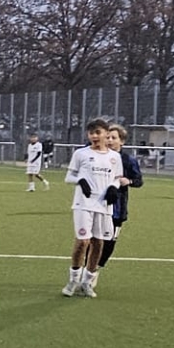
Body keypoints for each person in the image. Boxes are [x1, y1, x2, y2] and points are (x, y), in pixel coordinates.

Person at [61, 118, 121, 298]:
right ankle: (73, 280)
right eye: (91, 133)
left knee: (98, 242)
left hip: (103, 205)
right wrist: (80, 180)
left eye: (98, 133)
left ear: (106, 134)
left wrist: (114, 187)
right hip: (83, 204)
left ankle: (87, 282)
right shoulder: (81, 154)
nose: (94, 136)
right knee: (82, 242)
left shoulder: (114, 157)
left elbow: (117, 178)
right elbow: (68, 177)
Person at [89, 122, 143, 294]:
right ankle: (86, 270)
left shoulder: (128, 160)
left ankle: (96, 268)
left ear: (122, 141)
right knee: (92, 239)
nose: (110, 140)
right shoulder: (98, 157)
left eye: (114, 138)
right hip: (97, 205)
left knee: (110, 241)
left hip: (118, 208)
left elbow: (139, 181)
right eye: (108, 137)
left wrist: (129, 181)